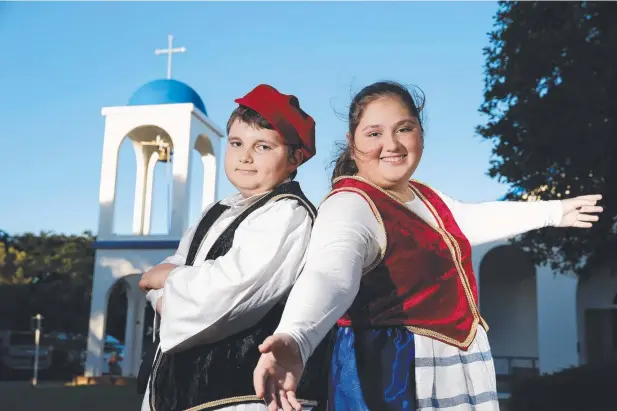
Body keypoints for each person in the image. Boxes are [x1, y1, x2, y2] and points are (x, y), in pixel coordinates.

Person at [252, 81, 604, 411]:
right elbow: (330, 274)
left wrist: (554, 211)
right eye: (374, 133)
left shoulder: (426, 197)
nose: (391, 144)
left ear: (420, 133)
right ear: (352, 142)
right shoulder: (350, 204)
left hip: (451, 364)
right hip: (396, 371)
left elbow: (473, 220)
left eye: (404, 129)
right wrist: (296, 336)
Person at [137, 84, 328, 411]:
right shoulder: (218, 212)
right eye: (237, 143)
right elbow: (171, 267)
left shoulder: (286, 213)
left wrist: (169, 281)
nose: (246, 156)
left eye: (263, 146)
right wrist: (168, 289)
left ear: (295, 157)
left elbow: (232, 291)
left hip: (245, 397)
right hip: (189, 394)